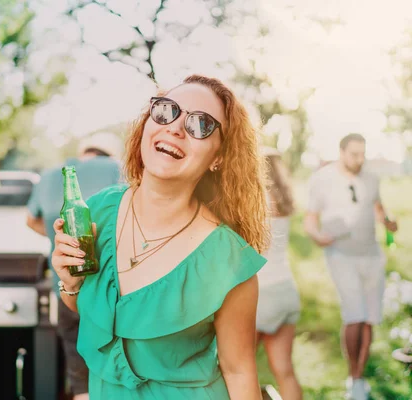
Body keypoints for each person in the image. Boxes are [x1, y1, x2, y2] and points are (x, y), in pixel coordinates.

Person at [51, 74, 270, 399]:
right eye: (167, 111)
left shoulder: (227, 261)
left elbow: (238, 373)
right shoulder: (96, 213)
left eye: (200, 124)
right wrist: (69, 281)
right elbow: (87, 309)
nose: (176, 127)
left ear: (220, 156)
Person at [26, 131, 123, 400]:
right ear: (110, 154)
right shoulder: (117, 169)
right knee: (115, 369)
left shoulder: (49, 175)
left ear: (83, 154)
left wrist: (65, 240)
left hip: (66, 285)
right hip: (111, 290)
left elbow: (29, 220)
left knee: (79, 372)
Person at [304, 133, 398, 400]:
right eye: (354, 154)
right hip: (340, 255)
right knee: (354, 314)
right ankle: (352, 378)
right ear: (341, 152)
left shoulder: (371, 178)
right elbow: (310, 220)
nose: (360, 159)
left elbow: (379, 210)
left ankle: (359, 376)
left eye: (362, 154)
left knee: (369, 317)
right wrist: (317, 236)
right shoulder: (323, 179)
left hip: (371, 255)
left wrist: (389, 222)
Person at [256, 147, 303, 400]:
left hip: (259, 294)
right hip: (286, 289)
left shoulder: (255, 199)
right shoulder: (283, 200)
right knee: (285, 371)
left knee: (237, 368)